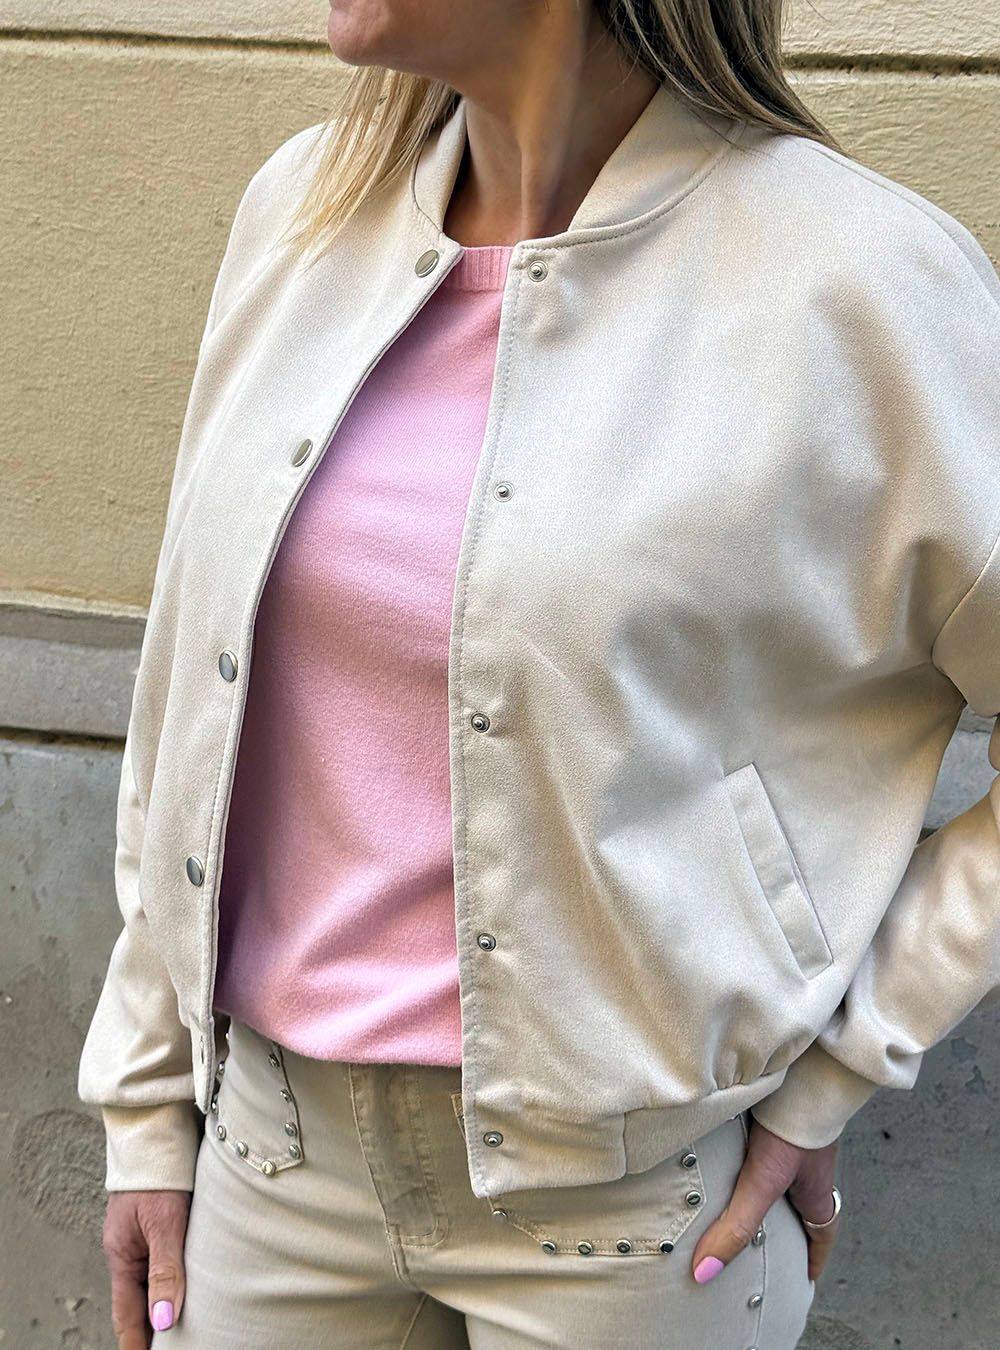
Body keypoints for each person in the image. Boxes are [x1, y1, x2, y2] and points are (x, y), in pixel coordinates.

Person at [78, 1, 1000, 1347]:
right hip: (270, 1161)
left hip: (629, 1218)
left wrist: (845, 1063)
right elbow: (188, 693)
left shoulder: (857, 281)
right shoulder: (305, 213)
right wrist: (147, 1100)